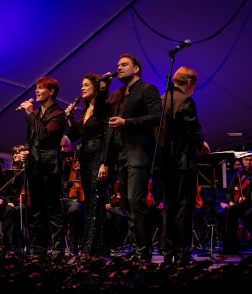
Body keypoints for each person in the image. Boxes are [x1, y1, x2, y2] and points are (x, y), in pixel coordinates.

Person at [95, 53, 162, 262]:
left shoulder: (147, 89)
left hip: (139, 153)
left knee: (136, 201)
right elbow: (100, 114)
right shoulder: (118, 94)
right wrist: (103, 89)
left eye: (124, 64)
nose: (119, 67)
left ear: (136, 69)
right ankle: (137, 247)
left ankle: (144, 251)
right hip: (122, 155)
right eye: (118, 65)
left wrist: (126, 122)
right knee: (127, 204)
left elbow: (156, 116)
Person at [158, 66, 210, 266]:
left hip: (164, 163)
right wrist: (201, 143)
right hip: (182, 163)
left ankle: (168, 253)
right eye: (194, 86)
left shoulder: (161, 100)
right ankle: (182, 254)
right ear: (189, 83)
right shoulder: (186, 100)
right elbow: (193, 129)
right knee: (184, 209)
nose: (193, 89)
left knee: (168, 208)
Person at [18, 76, 67, 256]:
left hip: (50, 165)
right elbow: (31, 138)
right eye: (36, 88)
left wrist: (30, 114)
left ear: (51, 91)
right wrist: (26, 151)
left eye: (40, 88)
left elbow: (45, 135)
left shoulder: (59, 115)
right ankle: (38, 246)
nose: (36, 91)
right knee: (37, 208)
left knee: (52, 208)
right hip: (34, 165)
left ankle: (58, 247)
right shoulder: (37, 113)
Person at [65, 73, 110, 256]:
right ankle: (96, 246)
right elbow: (75, 137)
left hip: (97, 156)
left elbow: (108, 135)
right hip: (84, 157)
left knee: (96, 202)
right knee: (90, 202)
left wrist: (105, 162)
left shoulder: (101, 108)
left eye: (86, 85)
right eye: (81, 85)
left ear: (95, 87)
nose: (82, 88)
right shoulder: (84, 111)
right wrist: (70, 118)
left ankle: (91, 246)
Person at [222, 155, 252, 254]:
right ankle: (230, 247)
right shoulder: (238, 174)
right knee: (230, 209)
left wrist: (246, 197)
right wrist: (230, 202)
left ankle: (234, 246)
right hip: (240, 203)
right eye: (246, 160)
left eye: (251, 160)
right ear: (243, 160)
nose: (249, 162)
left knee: (232, 210)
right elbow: (229, 191)